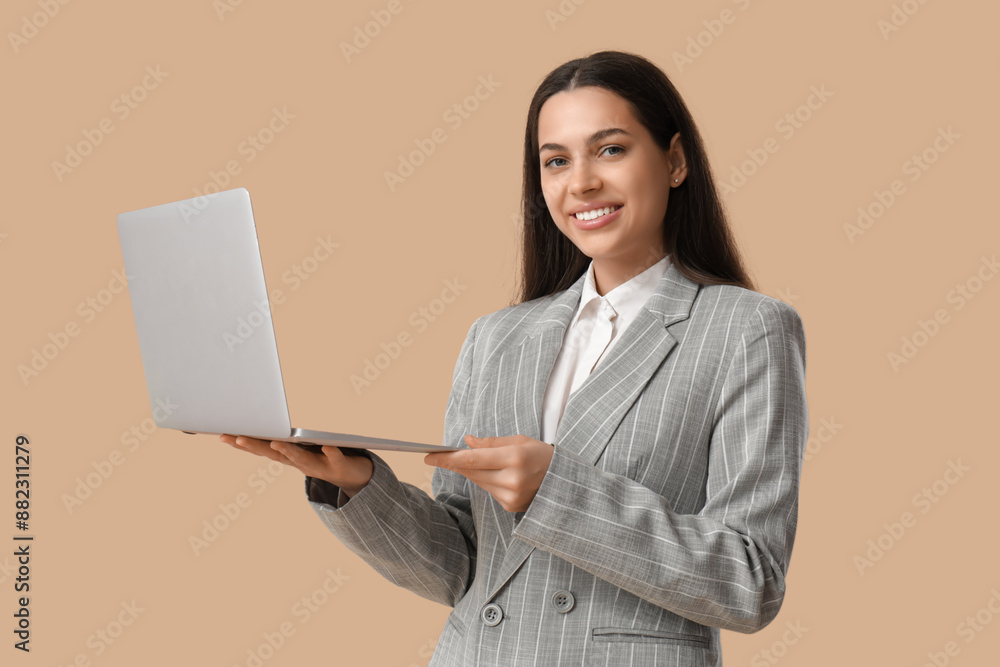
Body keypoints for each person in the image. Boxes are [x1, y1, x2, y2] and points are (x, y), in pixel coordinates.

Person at [221, 50, 808, 667]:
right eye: (556, 161)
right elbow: (461, 568)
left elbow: (749, 582)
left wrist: (557, 490)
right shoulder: (497, 337)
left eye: (610, 149)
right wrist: (361, 486)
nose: (581, 182)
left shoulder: (748, 329)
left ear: (676, 159)